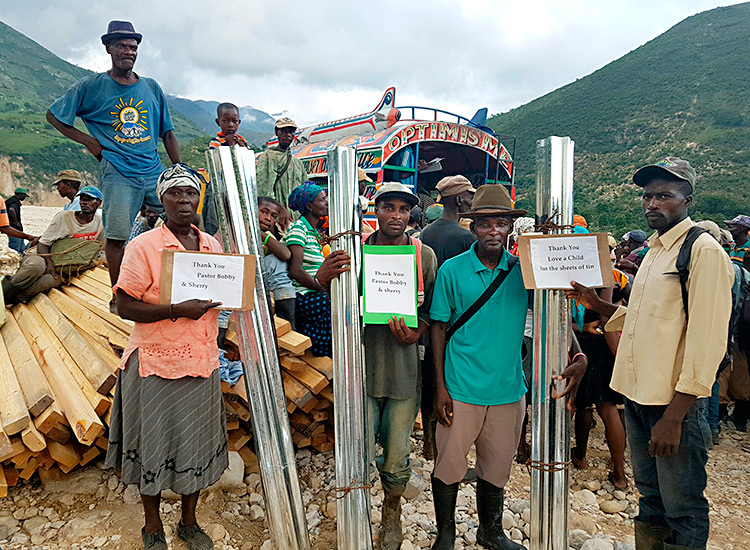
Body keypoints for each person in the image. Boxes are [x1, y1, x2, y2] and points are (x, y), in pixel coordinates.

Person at [566, 157, 733, 550]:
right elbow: (645, 318)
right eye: (648, 196)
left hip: (672, 404)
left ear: (687, 200)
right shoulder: (657, 251)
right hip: (639, 398)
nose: (652, 204)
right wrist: (597, 304)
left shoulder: (702, 251)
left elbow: (708, 339)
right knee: (652, 501)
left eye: (664, 196)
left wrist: (675, 416)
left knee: (683, 509)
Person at [429, 184, 587, 550]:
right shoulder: (453, 270)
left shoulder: (524, 272)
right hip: (461, 386)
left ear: (510, 229)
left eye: (501, 223)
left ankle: (491, 532)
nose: (494, 231)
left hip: (508, 389)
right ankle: (446, 534)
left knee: (497, 466)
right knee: (449, 465)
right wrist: (439, 387)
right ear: (474, 228)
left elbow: (554, 314)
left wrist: (577, 354)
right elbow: (438, 326)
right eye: (485, 224)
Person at [106, 165, 227, 550]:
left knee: (195, 445)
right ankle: (152, 526)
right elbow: (122, 304)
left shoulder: (211, 246)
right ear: (162, 199)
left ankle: (189, 523)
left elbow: (223, 299)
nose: (184, 200)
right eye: (175, 193)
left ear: (199, 199)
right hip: (156, 363)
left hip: (201, 360)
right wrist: (175, 309)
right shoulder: (143, 246)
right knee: (153, 445)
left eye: (191, 193)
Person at [46, 20, 181, 311]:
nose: (128, 51)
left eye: (133, 47)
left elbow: (167, 133)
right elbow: (54, 115)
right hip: (118, 170)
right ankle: (120, 296)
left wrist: (178, 171)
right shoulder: (91, 86)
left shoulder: (151, 88)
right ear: (108, 48)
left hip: (153, 170)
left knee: (185, 221)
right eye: (121, 45)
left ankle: (179, 285)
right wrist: (89, 141)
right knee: (117, 236)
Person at [363, 183, 437, 550]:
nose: (396, 216)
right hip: (362, 366)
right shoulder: (360, 251)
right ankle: (357, 506)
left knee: (396, 450)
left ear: (412, 214)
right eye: (388, 207)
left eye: (403, 210)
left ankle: (391, 511)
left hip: (404, 368)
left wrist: (416, 332)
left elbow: (432, 312)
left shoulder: (423, 255)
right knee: (359, 447)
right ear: (375, 209)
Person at [2, 186, 104, 305]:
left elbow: (100, 248)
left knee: (46, 282)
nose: (84, 202)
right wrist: (49, 264)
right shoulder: (64, 217)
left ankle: (12, 302)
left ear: (99, 203)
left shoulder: (101, 222)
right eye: (82, 198)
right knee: (35, 268)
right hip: (43, 254)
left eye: (90, 199)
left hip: (64, 266)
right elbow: (43, 243)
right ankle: (3, 295)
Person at [284, 182, 349, 356]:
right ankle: (321, 358)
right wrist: (319, 285)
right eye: (322, 199)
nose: (327, 202)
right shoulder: (298, 229)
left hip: (314, 291)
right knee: (330, 307)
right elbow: (295, 270)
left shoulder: (313, 232)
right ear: (309, 206)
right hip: (305, 295)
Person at [420, 176, 476, 267]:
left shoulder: (425, 232)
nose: (472, 203)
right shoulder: (467, 237)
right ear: (459, 200)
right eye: (471, 198)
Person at [258, 196, 296, 327]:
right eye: (264, 212)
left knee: (276, 260)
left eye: (273, 216)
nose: (268, 218)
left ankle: (287, 323)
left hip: (263, 282)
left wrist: (262, 234)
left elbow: (285, 254)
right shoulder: (237, 229)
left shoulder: (268, 236)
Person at [256, 117, 308, 211]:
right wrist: (280, 211)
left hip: (296, 218)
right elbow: (264, 192)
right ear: (276, 132)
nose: (287, 135)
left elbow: (305, 191)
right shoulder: (268, 157)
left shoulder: (297, 163)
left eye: (291, 131)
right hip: (275, 217)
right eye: (283, 131)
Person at [4, 187, 30, 253]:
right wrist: (16, 222)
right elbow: (11, 210)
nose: (24, 197)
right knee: (15, 248)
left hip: (14, 228)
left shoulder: (9, 201)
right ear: (21, 194)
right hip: (14, 229)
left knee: (22, 248)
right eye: (24, 196)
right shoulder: (15, 202)